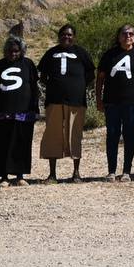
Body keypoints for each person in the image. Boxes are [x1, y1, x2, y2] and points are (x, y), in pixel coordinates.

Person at [37, 23, 94, 183]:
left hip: (76, 101)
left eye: (69, 35)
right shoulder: (51, 53)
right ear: (59, 36)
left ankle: (76, 173)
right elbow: (42, 75)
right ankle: (52, 175)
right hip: (54, 100)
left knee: (74, 134)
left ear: (74, 37)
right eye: (63, 34)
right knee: (53, 135)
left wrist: (79, 86)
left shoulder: (81, 53)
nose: (66, 37)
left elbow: (91, 74)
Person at [0, 36, 40, 186]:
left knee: (22, 143)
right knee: (3, 144)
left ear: (21, 51)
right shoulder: (0, 64)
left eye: (16, 51)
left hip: (24, 113)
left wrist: (35, 107)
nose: (12, 53)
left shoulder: (28, 64)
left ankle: (20, 176)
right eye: (9, 50)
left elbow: (34, 88)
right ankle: (4, 177)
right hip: (3, 112)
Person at [96, 24, 134, 182]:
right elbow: (100, 78)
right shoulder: (109, 55)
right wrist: (99, 99)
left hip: (132, 104)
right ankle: (111, 171)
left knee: (130, 136)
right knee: (112, 135)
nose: (128, 36)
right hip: (111, 103)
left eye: (131, 33)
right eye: (125, 33)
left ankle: (127, 171)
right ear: (119, 36)